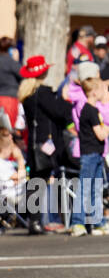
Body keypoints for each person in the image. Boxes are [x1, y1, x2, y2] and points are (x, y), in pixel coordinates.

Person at [18, 56, 73, 234]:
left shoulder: (28, 94)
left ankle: (31, 220)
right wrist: (64, 100)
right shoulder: (43, 93)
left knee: (36, 182)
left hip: (35, 142)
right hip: (44, 143)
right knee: (38, 183)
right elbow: (59, 113)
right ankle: (29, 219)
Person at [69, 75, 109, 237]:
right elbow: (100, 134)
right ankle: (77, 223)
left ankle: (97, 223)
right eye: (100, 89)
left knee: (96, 189)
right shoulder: (89, 111)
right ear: (93, 92)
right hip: (89, 154)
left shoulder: (93, 110)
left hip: (96, 154)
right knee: (85, 188)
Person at [0, 36, 21, 130]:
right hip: (9, 100)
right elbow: (23, 75)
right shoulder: (11, 62)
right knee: (7, 130)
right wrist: (16, 61)